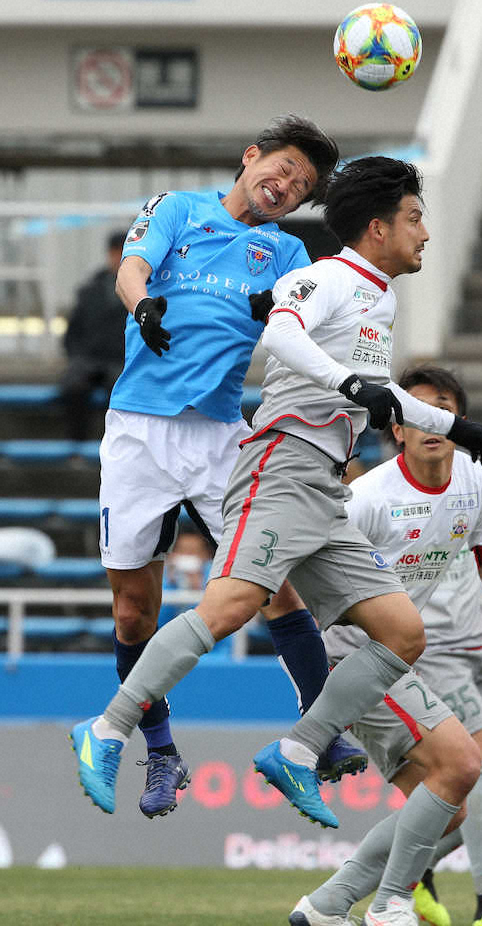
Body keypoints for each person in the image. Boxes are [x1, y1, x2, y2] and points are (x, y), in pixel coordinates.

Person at [70, 156, 482, 834]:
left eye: (305, 186)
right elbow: (280, 333)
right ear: (377, 226)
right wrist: (346, 384)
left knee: (390, 630)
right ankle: (116, 731)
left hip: (283, 464)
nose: (424, 234)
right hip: (238, 451)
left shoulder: (352, 283)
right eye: (415, 219)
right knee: (195, 606)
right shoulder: (284, 257)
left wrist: (452, 426)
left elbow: (357, 375)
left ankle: (302, 745)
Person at [76, 115, 362, 819]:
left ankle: (317, 735)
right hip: (139, 430)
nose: (286, 187)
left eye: (301, 185)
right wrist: (143, 309)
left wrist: (283, 316)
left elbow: (306, 325)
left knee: (277, 587)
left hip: (221, 437)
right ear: (251, 157)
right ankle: (162, 751)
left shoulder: (288, 251)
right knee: (132, 609)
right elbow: (131, 269)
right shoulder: (178, 208)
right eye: (284, 168)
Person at [292, 366, 482, 926]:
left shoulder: (477, 481)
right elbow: (301, 569)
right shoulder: (367, 498)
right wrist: (307, 668)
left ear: (458, 423)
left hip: (399, 658)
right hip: (357, 657)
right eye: (414, 412)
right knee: (469, 766)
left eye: (441, 409)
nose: (429, 421)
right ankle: (397, 903)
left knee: (450, 803)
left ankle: (328, 905)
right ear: (397, 429)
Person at [58, 230, 127, 440]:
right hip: (90, 359)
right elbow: (72, 333)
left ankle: (114, 445)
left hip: (120, 361)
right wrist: (78, 358)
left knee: (121, 390)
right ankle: (76, 446)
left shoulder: (143, 291)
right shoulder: (90, 290)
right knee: (74, 385)